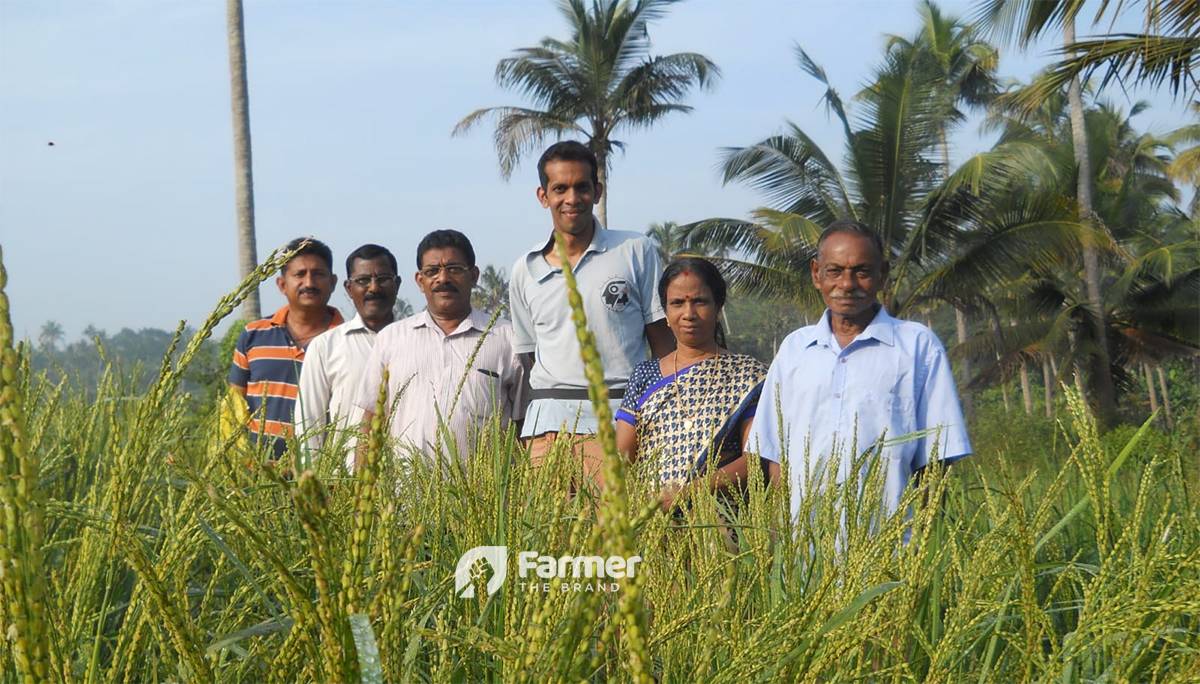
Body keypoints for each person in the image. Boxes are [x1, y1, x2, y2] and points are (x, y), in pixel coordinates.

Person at [750, 220, 972, 521]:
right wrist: (783, 548)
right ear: (817, 274)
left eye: (862, 272)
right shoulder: (795, 350)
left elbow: (936, 459)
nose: (847, 284)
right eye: (835, 271)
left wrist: (921, 545)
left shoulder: (917, 346)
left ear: (882, 274)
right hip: (805, 550)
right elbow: (774, 456)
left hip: (891, 546)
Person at [509, 141, 675, 490]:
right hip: (546, 428)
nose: (572, 198)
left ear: (597, 191)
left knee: (611, 534)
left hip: (617, 422)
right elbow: (529, 355)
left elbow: (663, 344)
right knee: (548, 541)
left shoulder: (634, 251)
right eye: (560, 189)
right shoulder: (525, 270)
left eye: (582, 187)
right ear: (543, 196)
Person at [355, 230, 523, 460]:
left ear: (474, 276)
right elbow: (371, 424)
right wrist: (360, 492)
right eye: (432, 271)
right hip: (404, 493)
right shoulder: (391, 339)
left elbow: (524, 424)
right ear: (419, 281)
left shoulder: (506, 338)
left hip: (485, 494)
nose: (443, 279)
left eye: (454, 269)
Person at [616, 258, 769, 509]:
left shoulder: (748, 375)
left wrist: (688, 492)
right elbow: (621, 458)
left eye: (700, 302)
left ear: (718, 307)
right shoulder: (645, 375)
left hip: (719, 519)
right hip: (651, 520)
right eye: (677, 303)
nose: (688, 314)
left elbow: (755, 461)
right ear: (665, 313)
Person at [227, 237, 343, 458]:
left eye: (318, 274)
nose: (309, 282)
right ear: (282, 284)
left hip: (320, 481)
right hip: (256, 477)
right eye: (299, 274)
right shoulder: (253, 335)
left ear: (333, 282)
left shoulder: (347, 342)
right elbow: (234, 407)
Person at [294, 244, 399, 466]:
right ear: (349, 288)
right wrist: (316, 487)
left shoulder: (415, 342)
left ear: (397, 284)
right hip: (344, 484)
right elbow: (309, 426)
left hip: (409, 486)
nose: (373, 288)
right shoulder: (325, 347)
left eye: (382, 279)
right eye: (362, 281)